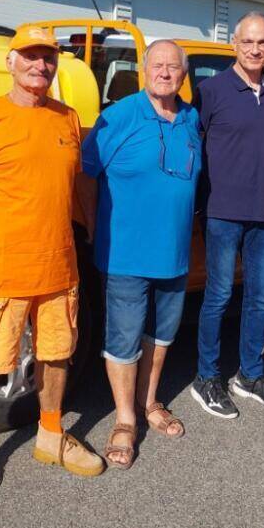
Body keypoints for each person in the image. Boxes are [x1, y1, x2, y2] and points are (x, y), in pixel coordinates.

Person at [0, 26, 103, 519]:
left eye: (49, 58)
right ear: (10, 62)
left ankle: (51, 433)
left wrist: (93, 231)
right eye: (32, 57)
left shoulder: (67, 117)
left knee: (57, 355)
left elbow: (75, 183)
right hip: (1, 271)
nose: (41, 65)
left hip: (58, 265)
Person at [79, 39, 201, 469]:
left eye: (174, 67)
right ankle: (126, 419)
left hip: (173, 255)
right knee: (123, 338)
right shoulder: (119, 116)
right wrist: (95, 226)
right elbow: (86, 175)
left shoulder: (190, 118)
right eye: (158, 65)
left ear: (184, 75)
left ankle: (150, 402)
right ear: (145, 70)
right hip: (125, 255)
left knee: (161, 336)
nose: (166, 73)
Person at [191, 12, 264, 418]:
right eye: (248, 42)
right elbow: (191, 147)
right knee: (217, 295)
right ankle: (207, 376)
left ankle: (250, 375)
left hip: (263, 213)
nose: (255, 50)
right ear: (234, 42)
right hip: (221, 212)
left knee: (261, 295)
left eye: (263, 43)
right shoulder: (211, 90)